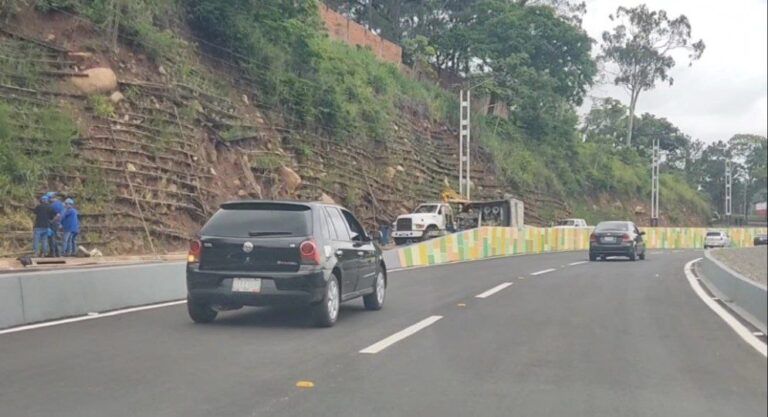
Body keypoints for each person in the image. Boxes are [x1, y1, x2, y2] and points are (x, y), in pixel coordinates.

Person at [46, 192, 64, 257]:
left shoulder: (54, 205)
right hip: (58, 223)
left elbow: (58, 215)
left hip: (54, 223)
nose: (48, 200)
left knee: (52, 238)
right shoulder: (60, 203)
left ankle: (53, 253)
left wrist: (51, 221)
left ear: (51, 198)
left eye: (48, 199)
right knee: (54, 238)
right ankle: (57, 253)